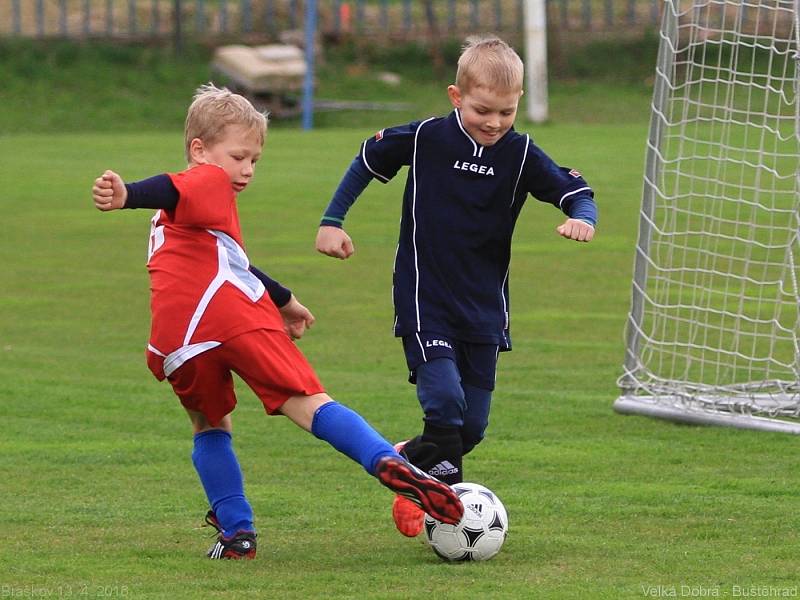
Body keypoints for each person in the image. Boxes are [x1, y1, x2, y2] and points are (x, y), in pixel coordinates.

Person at [90, 83, 463, 560]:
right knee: (307, 403)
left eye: (254, 161)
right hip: (230, 314)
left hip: (177, 337)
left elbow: (232, 258)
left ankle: (237, 532)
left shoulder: (175, 220)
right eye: (239, 156)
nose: (245, 170)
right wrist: (128, 194)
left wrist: (284, 299)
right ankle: (391, 463)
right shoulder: (208, 180)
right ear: (199, 150)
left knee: (209, 424)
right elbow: (172, 185)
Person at [315, 36, 597, 538]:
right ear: (455, 96)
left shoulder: (520, 151)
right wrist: (333, 219)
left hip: (485, 306)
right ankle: (434, 506)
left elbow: (572, 188)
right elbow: (367, 159)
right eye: (482, 110)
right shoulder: (426, 138)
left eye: (506, 112)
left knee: (471, 427)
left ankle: (408, 460)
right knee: (444, 401)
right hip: (425, 297)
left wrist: (582, 217)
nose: (493, 122)